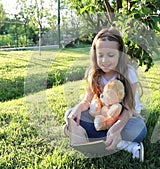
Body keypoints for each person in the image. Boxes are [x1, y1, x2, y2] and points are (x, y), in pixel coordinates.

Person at [63, 27, 147, 161]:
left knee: (138, 129)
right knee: (69, 114)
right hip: (102, 116)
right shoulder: (94, 73)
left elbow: (128, 108)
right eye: (100, 55)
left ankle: (91, 136)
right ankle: (120, 143)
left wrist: (116, 128)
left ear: (120, 54)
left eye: (111, 55)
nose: (104, 61)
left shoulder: (128, 73)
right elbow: (87, 101)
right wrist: (78, 108)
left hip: (125, 117)